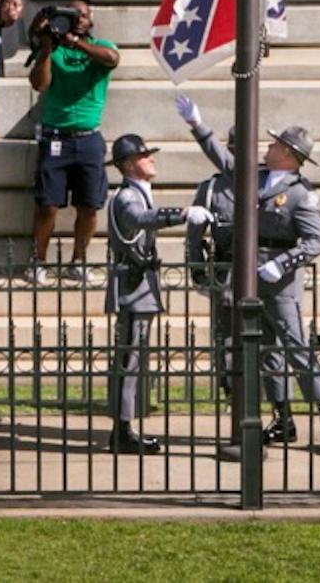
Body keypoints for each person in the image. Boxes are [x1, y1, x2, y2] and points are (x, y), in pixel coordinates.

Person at [178, 98, 320, 454]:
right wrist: (197, 125)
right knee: (268, 352)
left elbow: (317, 240)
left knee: (298, 351)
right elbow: (223, 162)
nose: (266, 147)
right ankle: (283, 419)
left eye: (273, 144)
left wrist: (283, 263)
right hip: (251, 276)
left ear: (287, 152)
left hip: (280, 284)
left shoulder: (301, 194)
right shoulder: (257, 177)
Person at [103, 133, 189, 454]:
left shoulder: (138, 193)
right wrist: (180, 214)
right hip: (132, 289)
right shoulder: (128, 198)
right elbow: (139, 220)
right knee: (128, 360)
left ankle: (125, 426)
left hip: (139, 287)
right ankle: (122, 430)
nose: (151, 159)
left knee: (133, 360)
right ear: (128, 165)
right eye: (144, 156)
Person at [27, 0, 119, 282]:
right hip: (56, 136)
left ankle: (77, 262)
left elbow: (111, 59)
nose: (77, 19)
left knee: (90, 206)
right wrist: (45, 48)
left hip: (89, 138)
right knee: (48, 206)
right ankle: (38, 262)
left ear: (90, 20)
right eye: (71, 15)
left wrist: (76, 43)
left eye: (82, 15)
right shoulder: (53, 50)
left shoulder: (100, 45)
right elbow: (39, 84)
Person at [183, 119, 236, 395]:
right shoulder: (211, 188)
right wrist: (198, 270)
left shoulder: (266, 184)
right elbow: (194, 234)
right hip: (225, 269)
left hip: (260, 268)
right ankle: (230, 389)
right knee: (225, 334)